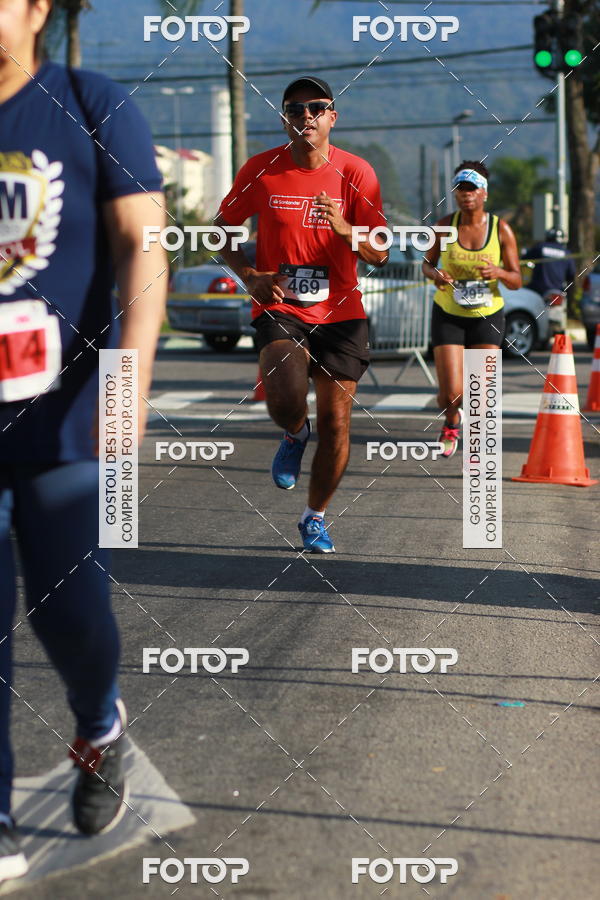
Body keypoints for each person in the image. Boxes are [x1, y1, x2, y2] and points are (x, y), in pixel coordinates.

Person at [0, 0, 167, 879]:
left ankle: (99, 723)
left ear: (36, 10)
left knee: (70, 618)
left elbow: (143, 244)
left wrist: (127, 377)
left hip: (64, 421)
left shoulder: (93, 104)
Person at [215, 75, 388, 553]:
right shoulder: (262, 169)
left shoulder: (357, 173)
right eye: (295, 109)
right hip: (280, 303)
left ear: (333, 116)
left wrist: (346, 228)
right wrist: (248, 274)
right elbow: (221, 228)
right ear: (285, 120)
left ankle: (315, 517)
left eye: (317, 107)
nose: (306, 116)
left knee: (338, 423)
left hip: (341, 312)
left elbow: (380, 252)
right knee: (284, 395)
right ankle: (294, 431)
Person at [422, 161, 521, 458]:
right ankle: (452, 420)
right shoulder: (443, 226)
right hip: (449, 313)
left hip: (487, 315)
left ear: (484, 193)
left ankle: (477, 448)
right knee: (449, 394)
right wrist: (436, 275)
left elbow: (517, 279)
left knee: (480, 393)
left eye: (471, 189)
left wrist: (499, 272)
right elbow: (426, 264)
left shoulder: (500, 229)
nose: (465, 195)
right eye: (460, 189)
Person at [522, 227, 576, 296]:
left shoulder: (540, 247)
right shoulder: (567, 253)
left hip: (538, 290)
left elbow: (524, 260)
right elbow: (571, 275)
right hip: (557, 291)